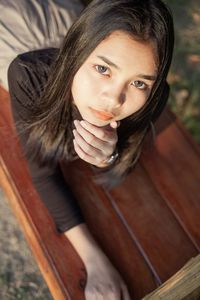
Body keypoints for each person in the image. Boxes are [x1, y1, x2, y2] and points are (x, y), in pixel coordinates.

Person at [7, 0, 174, 299]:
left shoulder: (153, 96)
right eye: (102, 69)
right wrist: (95, 260)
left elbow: (124, 159)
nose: (113, 100)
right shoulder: (28, 74)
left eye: (137, 82)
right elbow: (43, 174)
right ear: (75, 57)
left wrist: (108, 156)